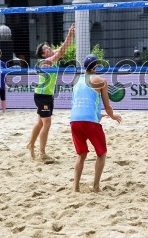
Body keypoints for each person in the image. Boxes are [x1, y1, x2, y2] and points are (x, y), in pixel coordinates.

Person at [70, 54, 122, 192]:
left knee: (81, 155)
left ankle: (75, 188)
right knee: (101, 153)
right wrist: (112, 115)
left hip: (74, 121)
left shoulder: (76, 81)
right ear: (96, 67)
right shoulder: (101, 81)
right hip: (90, 123)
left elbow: (80, 102)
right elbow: (107, 105)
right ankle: (95, 187)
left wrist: (98, 114)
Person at [26, 23, 75, 164]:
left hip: (46, 95)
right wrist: (69, 35)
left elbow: (63, 49)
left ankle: (31, 144)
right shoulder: (44, 62)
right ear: (43, 54)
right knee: (47, 123)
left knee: (40, 123)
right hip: (42, 96)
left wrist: (70, 35)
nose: (50, 49)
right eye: (47, 49)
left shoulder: (52, 59)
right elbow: (60, 52)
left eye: (49, 47)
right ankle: (43, 153)